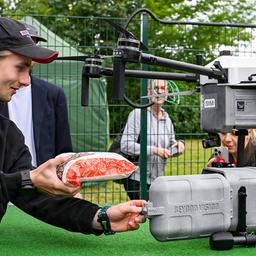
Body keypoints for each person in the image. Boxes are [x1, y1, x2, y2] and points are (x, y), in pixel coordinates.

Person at [0, 17, 145, 235]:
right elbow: (24, 182)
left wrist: (101, 217)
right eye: (20, 67)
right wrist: (27, 178)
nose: (26, 81)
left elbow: (33, 196)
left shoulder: (8, 133)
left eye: (29, 70)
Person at [0, 22, 73, 167]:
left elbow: (63, 147)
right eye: (19, 67)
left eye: (33, 43)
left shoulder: (52, 93)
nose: (26, 81)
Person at [120, 79, 185, 199]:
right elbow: (125, 145)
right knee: (145, 216)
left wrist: (179, 145)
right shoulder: (138, 114)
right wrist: (154, 150)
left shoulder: (167, 118)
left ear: (167, 93)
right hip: (138, 179)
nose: (159, 92)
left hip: (157, 181)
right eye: (156, 88)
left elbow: (171, 143)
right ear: (149, 92)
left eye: (163, 88)